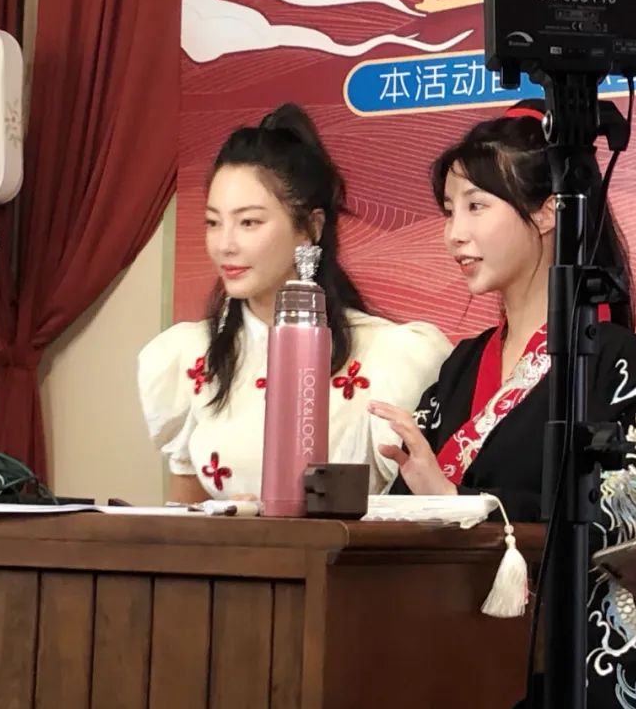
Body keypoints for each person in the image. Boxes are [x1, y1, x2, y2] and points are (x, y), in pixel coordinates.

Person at [372, 107, 636, 709]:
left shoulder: (610, 355)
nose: (454, 233)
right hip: (464, 648)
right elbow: (413, 502)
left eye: (476, 206)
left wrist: (463, 504)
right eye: (449, 211)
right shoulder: (463, 363)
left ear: (546, 212)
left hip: (583, 657)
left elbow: (632, 518)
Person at [138, 103, 452, 503]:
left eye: (249, 222)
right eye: (213, 222)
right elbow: (187, 521)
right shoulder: (192, 356)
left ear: (310, 227)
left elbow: (425, 513)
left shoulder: (388, 355)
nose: (225, 244)